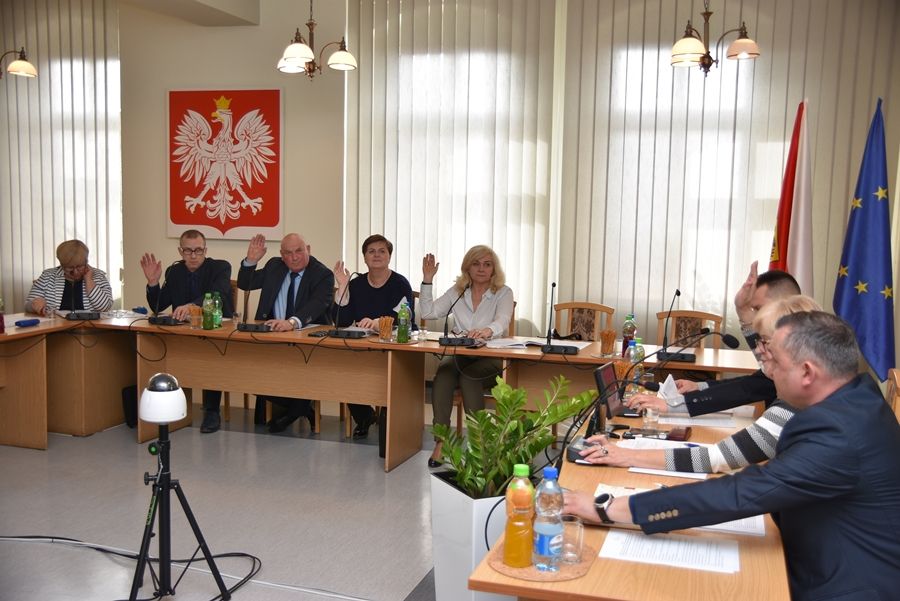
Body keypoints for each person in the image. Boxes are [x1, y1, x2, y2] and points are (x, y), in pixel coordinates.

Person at [564, 311, 900, 600]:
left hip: (844, 586)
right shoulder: (857, 401)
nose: (768, 372)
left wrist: (607, 507)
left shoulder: (839, 432)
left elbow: (741, 493)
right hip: (819, 554)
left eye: (775, 362)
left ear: (808, 372)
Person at [579, 295, 821, 474]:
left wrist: (627, 456)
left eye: (765, 343)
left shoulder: (793, 408)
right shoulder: (812, 396)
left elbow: (717, 457)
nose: (759, 352)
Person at [627, 262, 801, 417]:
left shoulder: (798, 370)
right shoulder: (790, 356)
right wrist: (699, 387)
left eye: (757, 308)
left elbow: (749, 390)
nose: (759, 348)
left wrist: (672, 405)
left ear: (786, 306)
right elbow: (754, 383)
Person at [419, 245, 514, 467]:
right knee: (443, 376)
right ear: (467, 268)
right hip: (461, 352)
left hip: (491, 354)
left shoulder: (503, 292)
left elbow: (503, 319)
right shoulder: (458, 291)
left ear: (494, 269)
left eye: (487, 264)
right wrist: (427, 279)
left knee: (469, 378)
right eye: (476, 264)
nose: (481, 269)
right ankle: (442, 442)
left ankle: (480, 445)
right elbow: (428, 312)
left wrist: (487, 330)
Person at [237, 233, 334, 433]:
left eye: (299, 251)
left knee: (299, 371)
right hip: (272, 339)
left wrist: (292, 322)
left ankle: (295, 411)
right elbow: (246, 284)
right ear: (282, 256)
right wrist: (251, 261)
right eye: (288, 253)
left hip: (307, 343)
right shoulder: (275, 266)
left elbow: (318, 304)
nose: (294, 257)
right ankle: (302, 408)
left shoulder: (322, 274)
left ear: (308, 249)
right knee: (247, 371)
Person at [140, 229, 234, 433]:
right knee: (167, 352)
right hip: (183, 333)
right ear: (180, 251)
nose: (193, 255)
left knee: (210, 357)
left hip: (215, 330)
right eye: (188, 251)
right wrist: (153, 283)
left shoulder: (220, 267)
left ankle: (211, 411)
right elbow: (159, 305)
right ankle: (173, 406)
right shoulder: (174, 272)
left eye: (198, 250)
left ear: (205, 250)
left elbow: (218, 292)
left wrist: (192, 306)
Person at [332, 234, 415, 439]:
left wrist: (378, 322)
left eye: (382, 251)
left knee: (388, 372)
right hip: (363, 345)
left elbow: (404, 318)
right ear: (364, 257)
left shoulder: (400, 283)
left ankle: (389, 417)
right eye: (371, 251)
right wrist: (343, 286)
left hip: (394, 346)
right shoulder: (356, 284)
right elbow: (342, 320)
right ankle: (365, 417)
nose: (376, 255)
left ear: (389, 256)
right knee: (343, 366)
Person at [26, 240, 114, 315]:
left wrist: (89, 281)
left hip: (91, 328)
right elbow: (27, 306)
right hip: (56, 327)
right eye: (69, 268)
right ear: (61, 264)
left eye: (79, 267)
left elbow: (105, 307)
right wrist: (34, 305)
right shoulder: (47, 276)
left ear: (86, 261)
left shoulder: (98, 276)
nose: (75, 272)